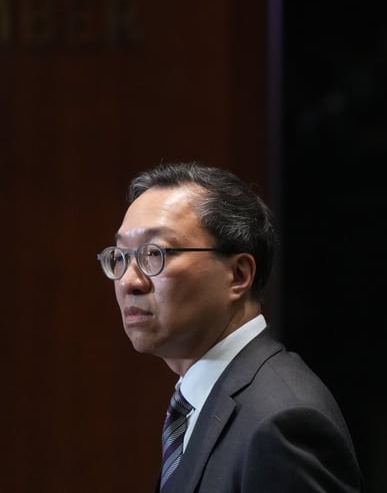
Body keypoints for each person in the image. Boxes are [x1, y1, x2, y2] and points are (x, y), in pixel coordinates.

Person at [98, 162, 363, 492]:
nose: (129, 281)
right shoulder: (199, 401)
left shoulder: (282, 421)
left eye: (154, 253)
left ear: (238, 275)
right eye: (120, 257)